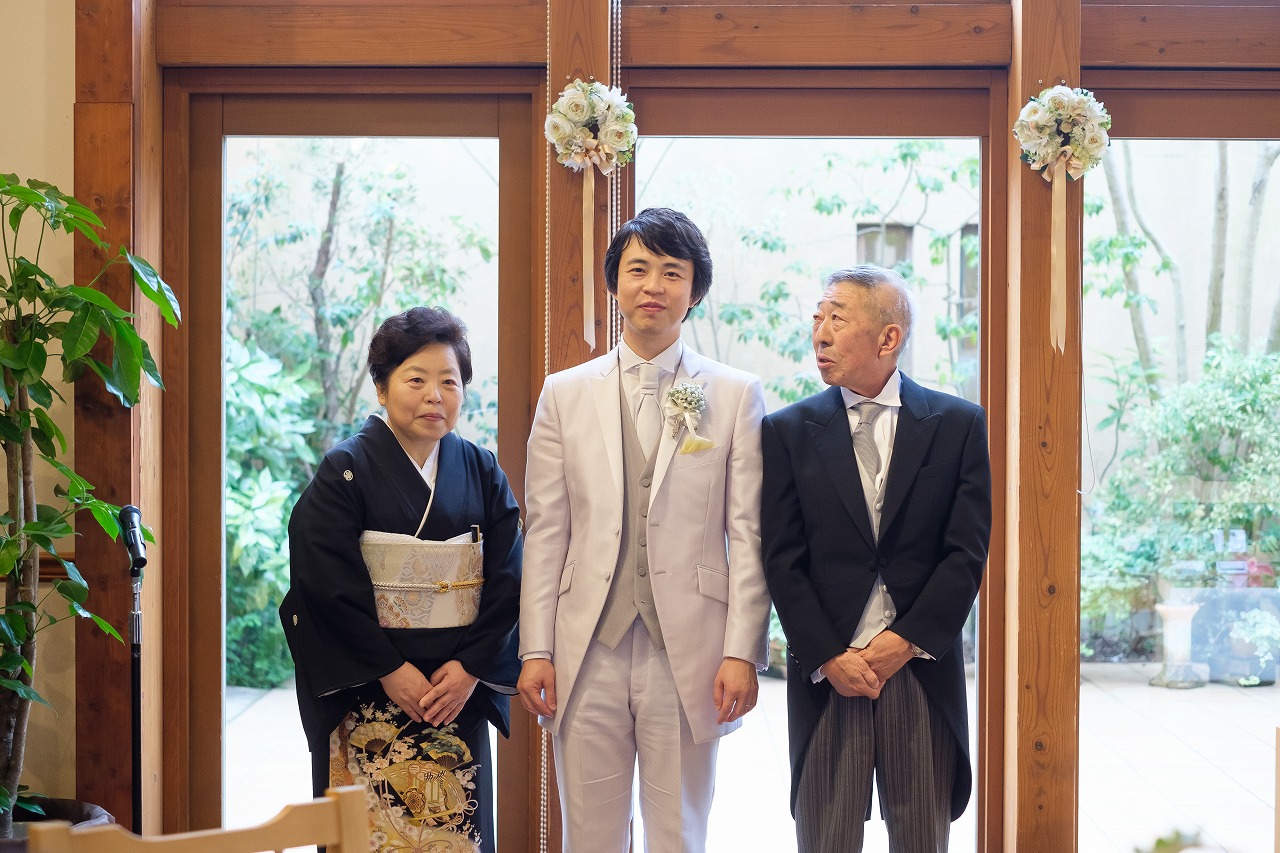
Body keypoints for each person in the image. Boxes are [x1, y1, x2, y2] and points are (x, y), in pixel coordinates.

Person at [517, 207, 771, 852]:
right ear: (614, 283)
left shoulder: (735, 394)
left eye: (671, 271)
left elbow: (748, 533)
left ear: (695, 290)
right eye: (637, 269)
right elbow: (546, 532)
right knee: (588, 835)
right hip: (586, 645)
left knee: (679, 833)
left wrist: (742, 650)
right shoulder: (564, 393)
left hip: (691, 647)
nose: (653, 285)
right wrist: (536, 649)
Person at [761, 265, 992, 853]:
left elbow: (965, 553)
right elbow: (782, 558)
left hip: (918, 668)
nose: (819, 333)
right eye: (818, 318)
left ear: (889, 338)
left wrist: (905, 641)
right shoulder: (787, 431)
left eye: (837, 318)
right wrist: (828, 654)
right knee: (826, 838)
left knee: (920, 839)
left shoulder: (958, 425)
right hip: (829, 672)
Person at [281, 307, 522, 853]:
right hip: (368, 686)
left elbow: (509, 576)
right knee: (368, 836)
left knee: (453, 832)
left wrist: (471, 668)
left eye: (449, 382)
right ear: (381, 387)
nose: (435, 396)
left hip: (453, 693)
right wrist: (389, 669)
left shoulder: (481, 468)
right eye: (416, 380)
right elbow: (324, 582)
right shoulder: (345, 470)